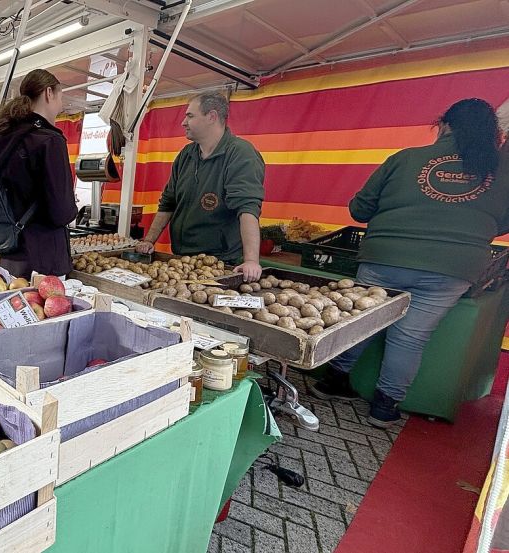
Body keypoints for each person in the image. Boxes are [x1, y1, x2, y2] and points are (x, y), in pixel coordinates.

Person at [310, 98, 509, 427]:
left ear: (444, 125)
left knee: (360, 323)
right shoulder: (499, 171)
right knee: (410, 337)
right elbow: (501, 222)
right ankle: (384, 407)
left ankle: (332, 382)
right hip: (451, 269)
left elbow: (359, 209)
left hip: (385, 257)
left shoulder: (405, 159)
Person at [135, 91, 265, 282]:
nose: (183, 122)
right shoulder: (187, 154)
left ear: (211, 117)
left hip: (220, 263)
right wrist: (148, 241)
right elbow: (168, 202)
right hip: (182, 259)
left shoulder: (241, 154)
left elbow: (248, 209)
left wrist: (251, 261)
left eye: (190, 116)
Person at [0, 69, 78, 277]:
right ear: (48, 93)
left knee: (14, 307)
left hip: (8, 251)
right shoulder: (49, 140)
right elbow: (61, 211)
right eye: (60, 96)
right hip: (44, 259)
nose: (61, 104)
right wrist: (72, 209)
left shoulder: (0, 138)